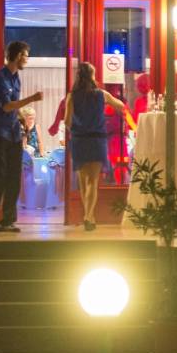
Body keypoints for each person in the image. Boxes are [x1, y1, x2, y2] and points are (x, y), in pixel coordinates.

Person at [0, 41, 43, 233]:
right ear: (17, 56)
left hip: (14, 133)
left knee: (14, 177)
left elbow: (14, 107)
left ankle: (8, 220)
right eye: (26, 56)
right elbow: (7, 106)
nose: (27, 60)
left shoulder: (16, 79)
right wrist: (32, 99)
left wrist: (23, 120)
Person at [65, 61, 127, 231]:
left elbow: (67, 121)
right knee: (93, 181)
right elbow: (120, 106)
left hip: (79, 140)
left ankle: (89, 216)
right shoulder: (101, 94)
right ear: (92, 76)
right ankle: (88, 216)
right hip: (97, 140)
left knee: (83, 181)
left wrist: (76, 130)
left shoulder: (72, 96)